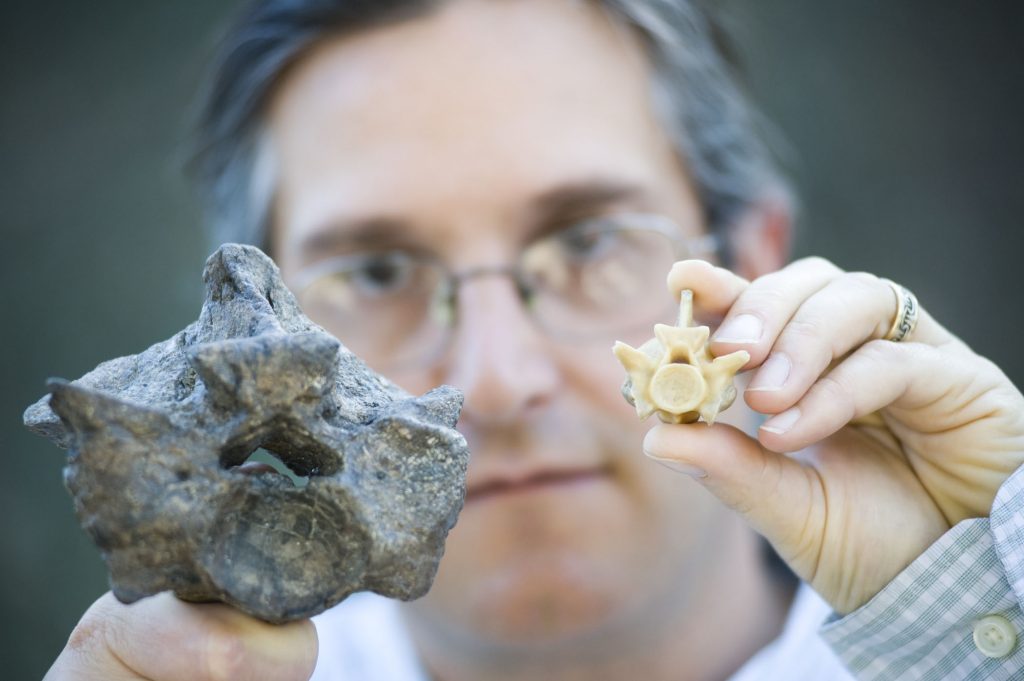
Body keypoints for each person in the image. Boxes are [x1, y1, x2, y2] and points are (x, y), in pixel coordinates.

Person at [45, 1, 1024, 679]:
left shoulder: (985, 628)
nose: (497, 381)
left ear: (750, 267)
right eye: (380, 271)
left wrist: (988, 613)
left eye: (588, 242)